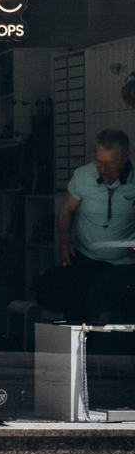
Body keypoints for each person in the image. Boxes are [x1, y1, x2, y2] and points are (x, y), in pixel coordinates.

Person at [56, 128, 135, 323]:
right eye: (99, 162)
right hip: (87, 259)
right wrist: (65, 239)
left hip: (126, 264)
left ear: (126, 157)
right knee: (77, 320)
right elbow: (67, 210)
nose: (103, 169)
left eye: (110, 163)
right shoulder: (83, 176)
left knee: (131, 322)